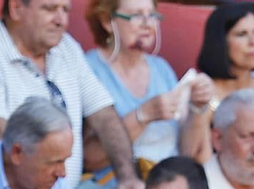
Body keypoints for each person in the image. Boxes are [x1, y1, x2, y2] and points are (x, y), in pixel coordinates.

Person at [0, 0, 143, 189]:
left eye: (65, 10)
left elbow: (105, 117)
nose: (61, 21)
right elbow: (1, 139)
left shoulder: (67, 48)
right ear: (16, 8)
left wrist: (127, 177)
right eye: (49, 9)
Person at [86, 0, 206, 166]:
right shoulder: (89, 69)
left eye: (152, 15)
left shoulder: (161, 68)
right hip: (116, 186)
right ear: (107, 21)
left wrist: (198, 107)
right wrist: (142, 115)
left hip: (169, 181)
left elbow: (186, 151)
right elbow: (88, 158)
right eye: (136, 15)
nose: (148, 24)